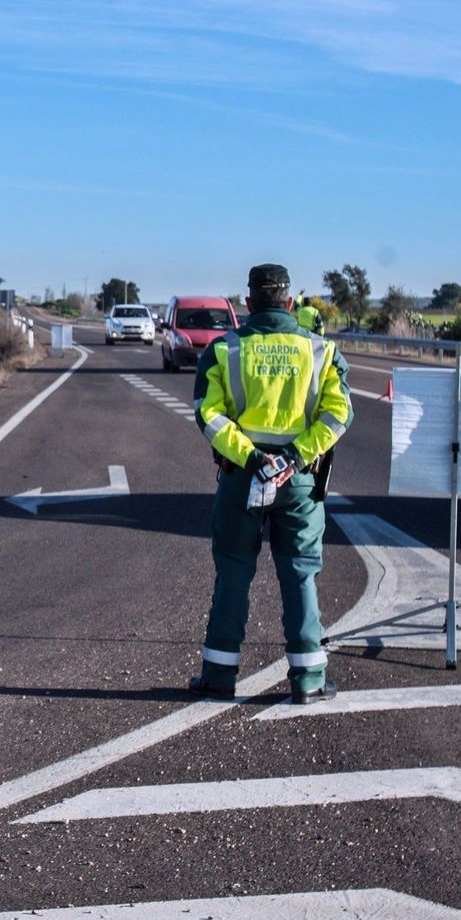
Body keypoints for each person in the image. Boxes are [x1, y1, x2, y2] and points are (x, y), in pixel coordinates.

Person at [188, 264, 351, 704]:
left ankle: (219, 676)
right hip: (298, 480)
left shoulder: (225, 351)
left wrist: (254, 458)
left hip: (243, 478)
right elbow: (339, 415)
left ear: (248, 304)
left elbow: (209, 414)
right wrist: (294, 457)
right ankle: (309, 681)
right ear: (291, 303)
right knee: (299, 574)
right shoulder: (320, 351)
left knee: (233, 573)